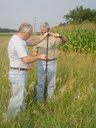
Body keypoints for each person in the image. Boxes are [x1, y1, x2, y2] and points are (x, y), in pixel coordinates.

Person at [7, 22, 49, 119]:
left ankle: (20, 118)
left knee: (21, 96)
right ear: (24, 32)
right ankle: (11, 120)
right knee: (17, 98)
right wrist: (40, 56)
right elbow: (25, 59)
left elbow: (32, 43)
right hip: (18, 73)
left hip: (20, 72)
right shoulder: (17, 42)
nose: (30, 35)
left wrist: (43, 36)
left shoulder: (20, 39)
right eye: (30, 34)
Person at [32, 22, 67, 102]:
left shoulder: (55, 38)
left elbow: (65, 40)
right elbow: (34, 52)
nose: (43, 32)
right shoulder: (38, 38)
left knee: (52, 83)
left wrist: (60, 36)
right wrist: (32, 62)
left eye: (44, 31)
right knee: (40, 83)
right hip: (41, 63)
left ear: (48, 29)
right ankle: (39, 100)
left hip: (53, 62)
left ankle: (50, 100)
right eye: (41, 31)